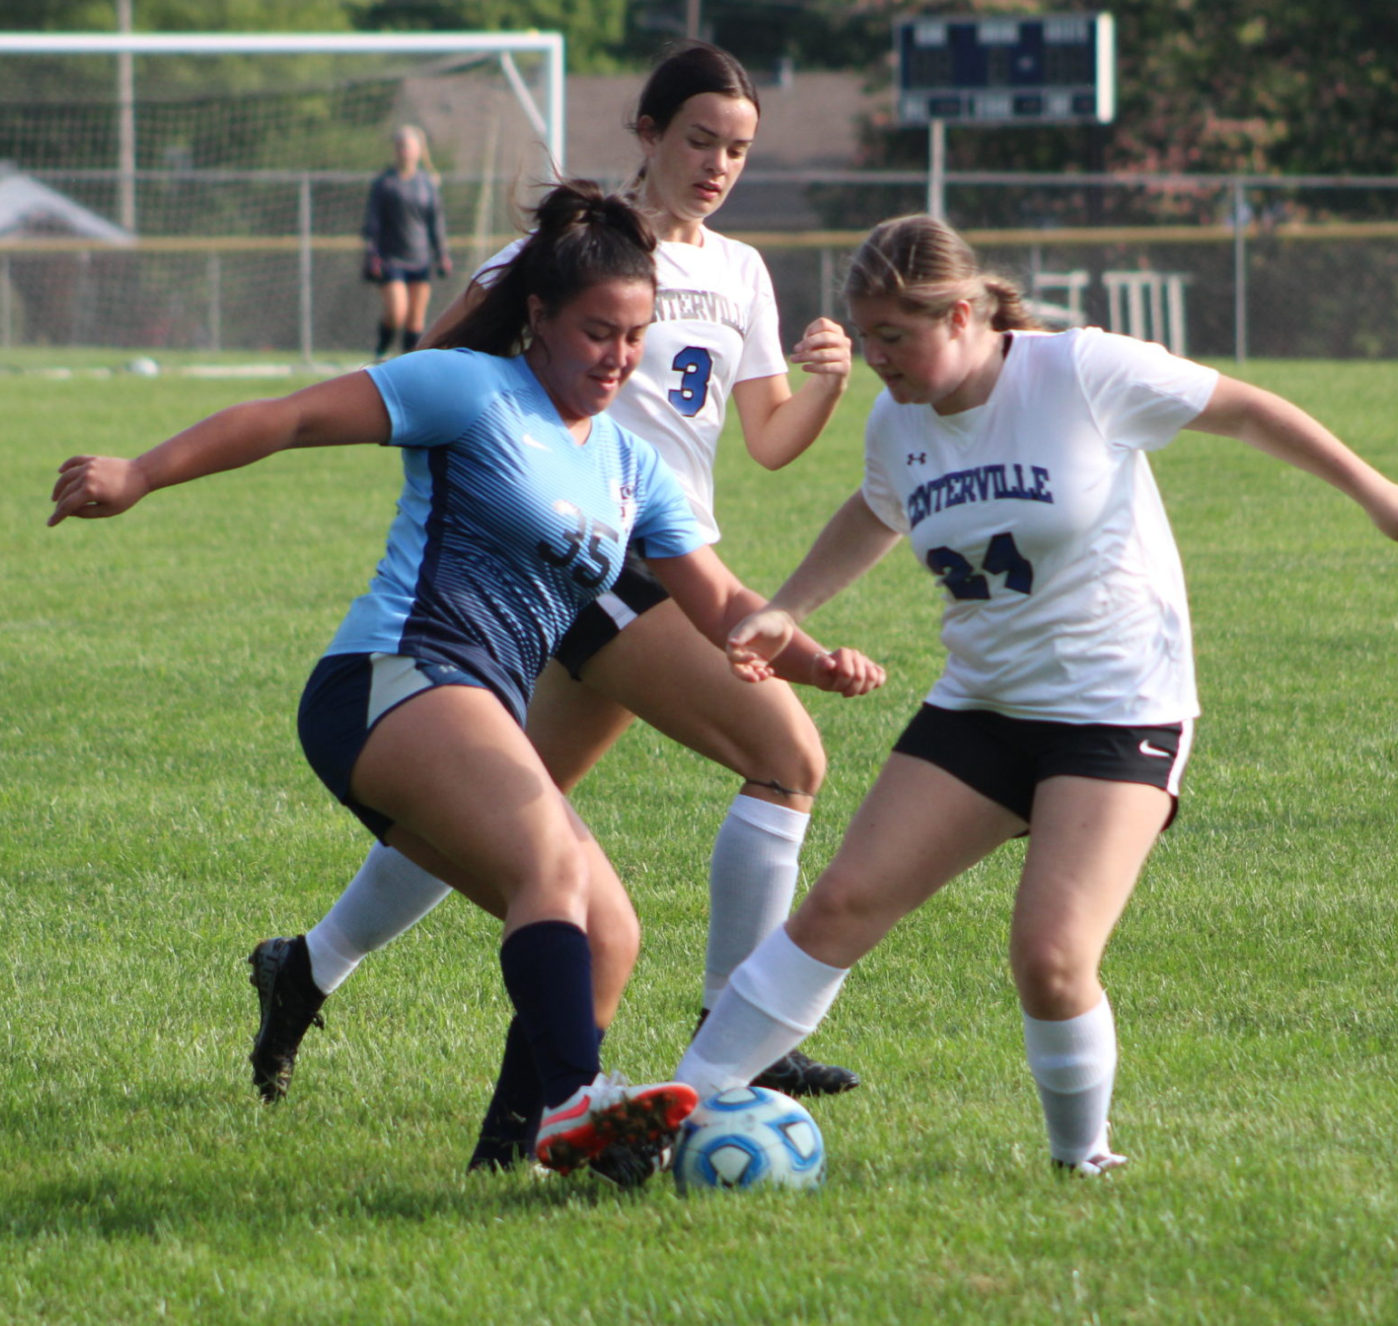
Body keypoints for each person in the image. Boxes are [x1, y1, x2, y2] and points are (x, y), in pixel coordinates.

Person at [47, 181, 883, 1184]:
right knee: (554, 871)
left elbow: (719, 603)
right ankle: (581, 1102)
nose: (617, 357)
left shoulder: (630, 466)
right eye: (595, 332)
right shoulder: (470, 388)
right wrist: (139, 475)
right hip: (388, 678)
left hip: (470, 702)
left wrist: (809, 657)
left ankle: (509, 1161)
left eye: (634, 336)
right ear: (537, 317)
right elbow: (292, 418)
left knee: (608, 936)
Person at [676, 213, 1398, 1176]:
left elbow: (1249, 409)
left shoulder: (1081, 372)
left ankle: (1082, 1162)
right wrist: (786, 606)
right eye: (865, 334)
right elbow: (880, 508)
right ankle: (678, 1110)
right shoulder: (899, 418)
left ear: (962, 314)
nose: (876, 358)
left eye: (896, 336)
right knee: (840, 904)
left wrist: (1378, 491)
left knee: (1050, 959)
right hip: (984, 704)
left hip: (1116, 707)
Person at [247, 42, 864, 1168]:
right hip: (590, 565)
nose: (718, 163)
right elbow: (435, 376)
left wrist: (824, 382)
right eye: (699, 139)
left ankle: (316, 968)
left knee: (511, 824)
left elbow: (768, 444)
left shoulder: (741, 274)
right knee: (785, 755)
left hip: (664, 559)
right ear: (646, 130)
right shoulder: (570, 252)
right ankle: (740, 1035)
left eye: (738, 147)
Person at [363, 124, 452, 361]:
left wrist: (442, 254)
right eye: (400, 146)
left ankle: (407, 363)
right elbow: (372, 223)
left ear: (418, 150)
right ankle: (381, 353)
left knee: (415, 318)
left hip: (420, 258)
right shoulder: (385, 183)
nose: (404, 151)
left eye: (408, 146)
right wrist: (372, 255)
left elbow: (436, 222)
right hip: (391, 259)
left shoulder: (427, 184)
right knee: (397, 311)